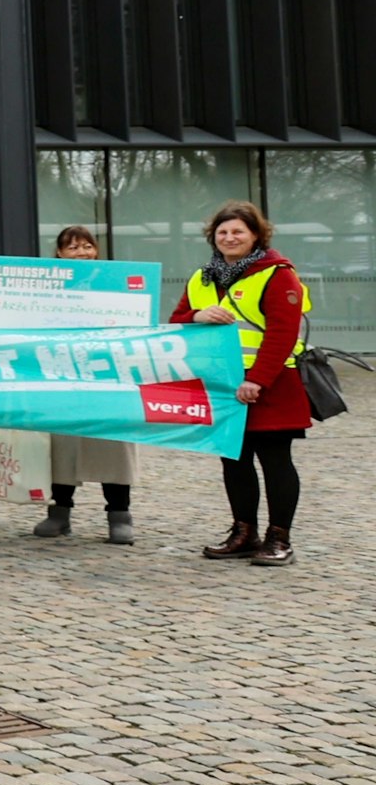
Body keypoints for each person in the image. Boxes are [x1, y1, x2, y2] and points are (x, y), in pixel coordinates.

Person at [172, 200, 310, 566]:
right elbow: (175, 321)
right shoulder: (202, 278)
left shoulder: (278, 274)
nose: (230, 238)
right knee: (234, 460)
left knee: (275, 460)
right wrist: (197, 315)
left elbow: (282, 333)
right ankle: (243, 533)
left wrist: (258, 380)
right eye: (223, 232)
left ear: (255, 236)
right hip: (222, 386)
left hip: (271, 384)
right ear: (213, 238)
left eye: (238, 232)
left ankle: (279, 538)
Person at [31, 226, 138, 544]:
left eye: (87, 246)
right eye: (73, 247)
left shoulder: (116, 284)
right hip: (61, 378)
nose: (81, 253)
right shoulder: (44, 291)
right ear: (60, 254)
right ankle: (59, 513)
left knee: (113, 447)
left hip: (108, 380)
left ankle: (119, 516)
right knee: (61, 449)